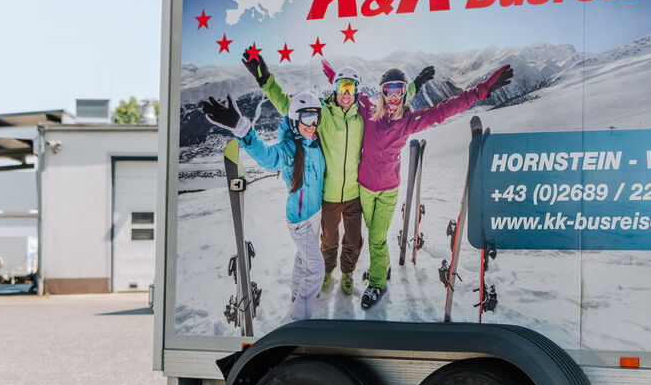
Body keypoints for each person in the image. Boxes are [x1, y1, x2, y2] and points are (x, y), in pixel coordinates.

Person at [354, 64, 514, 309]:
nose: (394, 97)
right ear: (382, 93)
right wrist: (333, 76)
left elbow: (442, 111)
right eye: (389, 90)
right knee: (374, 234)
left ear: (404, 94)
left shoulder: (408, 121)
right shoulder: (368, 109)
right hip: (364, 186)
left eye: (399, 91)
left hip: (388, 189)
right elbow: (345, 89)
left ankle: (377, 284)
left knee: (376, 237)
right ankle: (382, 264)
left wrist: (480, 91)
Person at [244, 52, 366, 296]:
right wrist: (266, 80)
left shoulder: (363, 116)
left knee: (353, 241)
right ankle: (327, 270)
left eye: (350, 88)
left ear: (357, 92)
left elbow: (393, 105)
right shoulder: (324, 114)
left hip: (354, 192)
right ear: (336, 89)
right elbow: (291, 107)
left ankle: (348, 271)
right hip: (329, 194)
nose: (346, 93)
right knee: (329, 241)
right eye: (342, 87)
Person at [202, 92, 326, 322]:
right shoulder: (290, 150)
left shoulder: (316, 143)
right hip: (299, 221)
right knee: (317, 270)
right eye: (306, 119)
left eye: (315, 118)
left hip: (315, 214)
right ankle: (299, 320)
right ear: (294, 120)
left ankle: (296, 294)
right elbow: (267, 157)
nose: (312, 125)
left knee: (303, 258)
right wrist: (241, 129)